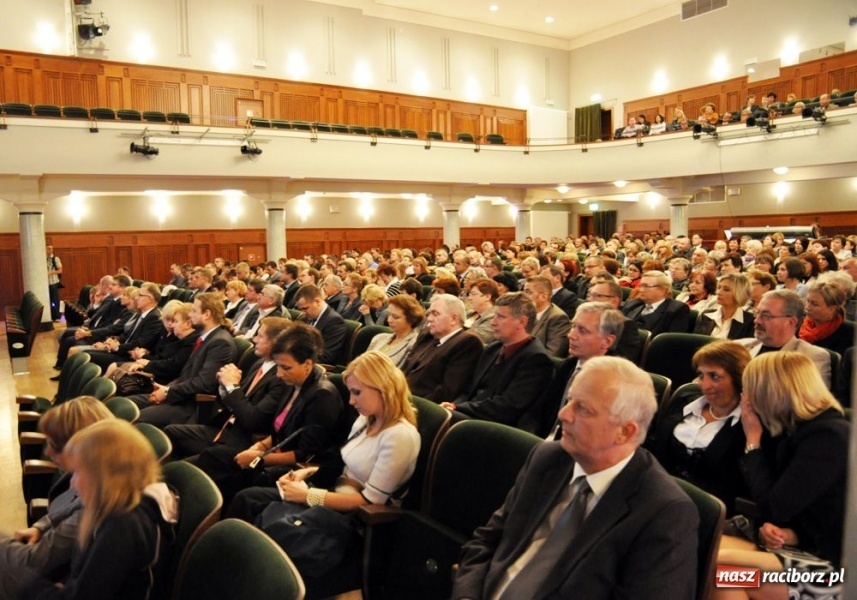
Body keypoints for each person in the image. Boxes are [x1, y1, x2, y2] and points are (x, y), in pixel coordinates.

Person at [451, 356, 698, 599]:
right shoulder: (549, 458)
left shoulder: (664, 512)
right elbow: (487, 540)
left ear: (625, 432)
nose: (563, 414)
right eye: (569, 400)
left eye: (583, 409)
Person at [230, 351, 420, 576]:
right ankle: (236, 568)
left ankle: (250, 575)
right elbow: (348, 465)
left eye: (357, 393)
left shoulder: (399, 436)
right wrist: (308, 473)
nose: (351, 401)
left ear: (383, 389)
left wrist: (308, 496)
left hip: (353, 518)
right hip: (333, 493)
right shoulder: (366, 418)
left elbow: (370, 501)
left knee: (271, 523)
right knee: (247, 498)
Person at [713, 352, 849, 600]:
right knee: (702, 550)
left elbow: (774, 507)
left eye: (750, 391)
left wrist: (753, 440)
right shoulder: (795, 428)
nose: (746, 399)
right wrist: (792, 534)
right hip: (807, 547)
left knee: (721, 571)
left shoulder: (828, 437)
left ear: (771, 392)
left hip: (835, 570)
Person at [19, 419, 178, 600]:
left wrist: (27, 586)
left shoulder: (123, 526)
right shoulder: (120, 507)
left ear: (104, 476)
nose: (73, 482)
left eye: (78, 472)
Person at [0, 397, 113, 599]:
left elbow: (34, 562)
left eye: (54, 444)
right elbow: (71, 507)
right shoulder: (104, 475)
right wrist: (40, 526)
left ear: (79, 446)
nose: (47, 451)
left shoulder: (99, 505)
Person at [164, 316, 291, 459]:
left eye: (260, 336)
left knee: (185, 465)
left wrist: (232, 386)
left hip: (243, 441)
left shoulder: (281, 378)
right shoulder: (260, 363)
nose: (254, 339)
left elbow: (253, 420)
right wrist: (224, 385)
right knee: (170, 432)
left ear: (276, 343)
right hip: (225, 426)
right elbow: (236, 399)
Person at [649, 341, 751, 513]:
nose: (705, 385)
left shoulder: (748, 424)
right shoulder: (686, 401)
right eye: (701, 376)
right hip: (656, 498)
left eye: (715, 376)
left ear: (738, 378)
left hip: (704, 512)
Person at [442, 292, 554, 431]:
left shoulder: (536, 360)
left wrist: (458, 408)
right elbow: (469, 390)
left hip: (497, 428)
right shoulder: (493, 349)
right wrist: (453, 405)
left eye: (500, 317)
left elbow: (508, 407)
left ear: (522, 322)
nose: (493, 322)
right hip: (471, 416)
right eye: (494, 315)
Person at [132, 292, 238, 428]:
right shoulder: (207, 338)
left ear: (206, 314)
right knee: (125, 404)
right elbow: (187, 374)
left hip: (192, 405)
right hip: (179, 395)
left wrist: (168, 392)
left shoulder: (221, 343)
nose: (190, 314)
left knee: (134, 418)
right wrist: (167, 389)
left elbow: (204, 384)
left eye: (194, 311)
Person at [736, 289, 832, 388]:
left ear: (791, 322)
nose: (757, 320)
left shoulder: (811, 357)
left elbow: (812, 400)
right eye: (757, 313)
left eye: (766, 315)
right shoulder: (741, 347)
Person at [400, 293, 484, 402]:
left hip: (422, 405)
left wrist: (408, 404)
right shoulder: (427, 335)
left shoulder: (468, 343)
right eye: (429, 314)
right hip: (400, 396)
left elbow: (447, 391)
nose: (429, 319)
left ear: (453, 319)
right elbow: (406, 368)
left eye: (435, 314)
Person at [621, 270, 690, 336]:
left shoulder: (677, 310)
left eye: (646, 286)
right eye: (641, 285)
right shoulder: (633, 304)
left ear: (663, 289)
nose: (641, 290)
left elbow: (671, 342)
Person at [294, 283, 348, 366]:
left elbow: (326, 356)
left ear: (317, 301)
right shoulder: (304, 318)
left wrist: (296, 358)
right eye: (301, 309)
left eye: (305, 308)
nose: (303, 313)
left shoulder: (335, 322)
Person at [366, 294, 424, 367]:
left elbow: (399, 375)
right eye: (389, 315)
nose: (389, 320)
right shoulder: (379, 338)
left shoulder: (414, 345)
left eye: (395, 317)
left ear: (411, 319)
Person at [694, 273, 755, 339]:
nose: (718, 292)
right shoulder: (706, 315)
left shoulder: (750, 321)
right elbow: (695, 343)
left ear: (740, 294)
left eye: (726, 289)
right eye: (719, 288)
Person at [799, 281, 852, 356]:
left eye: (814, 304)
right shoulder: (799, 324)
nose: (807, 307)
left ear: (831, 309)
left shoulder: (849, 333)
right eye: (807, 301)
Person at [464, 277, 499, 344]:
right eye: (469, 294)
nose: (469, 298)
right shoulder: (470, 312)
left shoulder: (494, 317)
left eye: (474, 294)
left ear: (487, 297)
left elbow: (475, 340)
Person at [47, 245, 63, 322]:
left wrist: (50, 273)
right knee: (48, 300)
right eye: (49, 249)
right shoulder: (43, 259)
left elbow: (60, 270)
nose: (51, 250)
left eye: (52, 249)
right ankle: (48, 315)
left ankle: (56, 316)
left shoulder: (55, 259)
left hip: (53, 282)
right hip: (45, 283)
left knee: (54, 300)